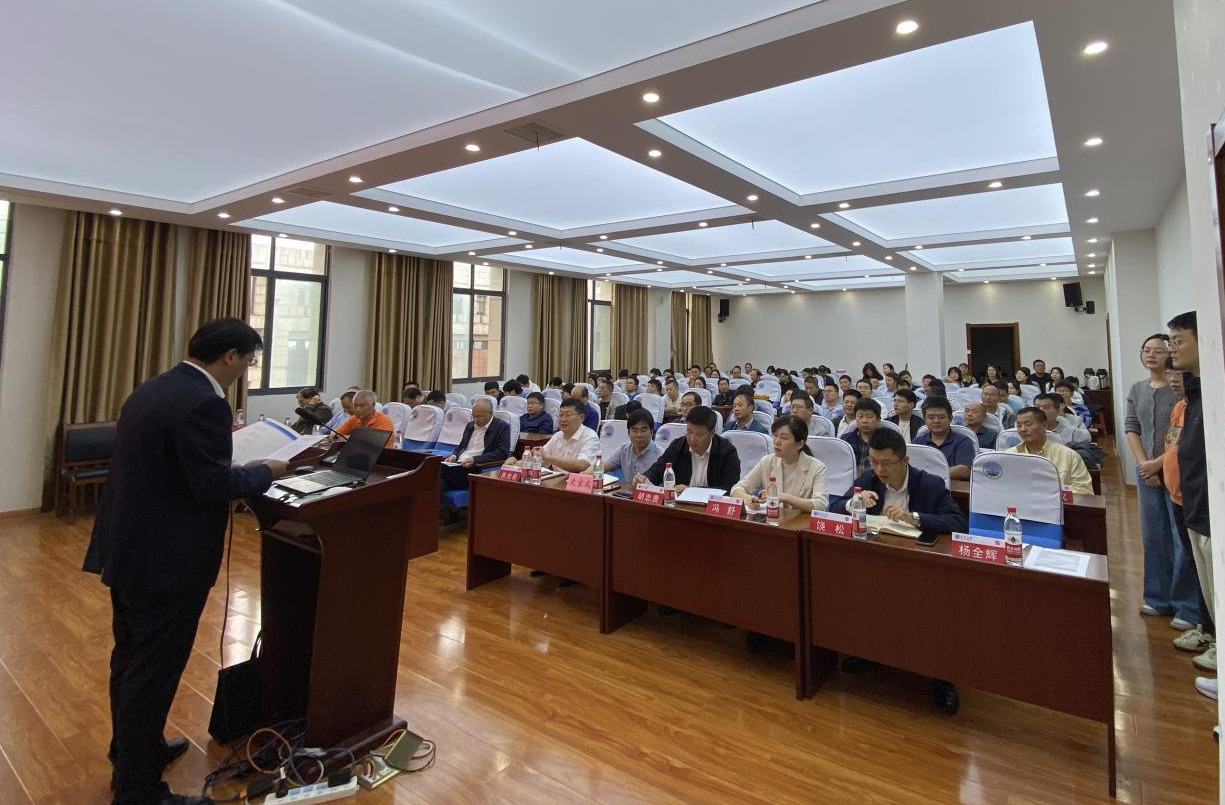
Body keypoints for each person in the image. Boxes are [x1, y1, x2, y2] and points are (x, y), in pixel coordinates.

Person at [84, 318, 287, 805]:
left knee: (130, 659)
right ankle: (139, 790)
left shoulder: (154, 388)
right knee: (153, 671)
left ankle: (134, 752)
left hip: (131, 547)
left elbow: (174, 468)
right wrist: (266, 470)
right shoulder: (204, 402)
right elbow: (210, 486)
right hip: (167, 560)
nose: (246, 371)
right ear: (230, 356)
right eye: (249, 361)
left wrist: (225, 469)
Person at [830, 428, 966, 714]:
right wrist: (853, 503)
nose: (879, 470)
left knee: (935, 610)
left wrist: (914, 518)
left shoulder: (928, 484)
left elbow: (957, 522)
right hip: (877, 560)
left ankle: (942, 677)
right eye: (874, 462)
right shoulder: (868, 480)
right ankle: (870, 652)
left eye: (886, 463)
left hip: (921, 565)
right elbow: (835, 507)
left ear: (904, 460)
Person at [1123, 336, 1192, 627]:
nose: (1151, 355)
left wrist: (1157, 464)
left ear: (1170, 354)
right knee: (1153, 537)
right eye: (1146, 351)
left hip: (1176, 471)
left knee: (1180, 539)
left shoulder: (1179, 388)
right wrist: (1144, 465)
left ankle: (1185, 606)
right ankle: (1157, 598)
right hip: (1145, 473)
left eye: (1158, 350)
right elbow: (1131, 426)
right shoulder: (1137, 388)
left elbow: (1183, 433)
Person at [1168, 312, 1216, 700]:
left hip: (1210, 507)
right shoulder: (1194, 394)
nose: (1172, 349)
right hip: (1193, 502)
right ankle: (1212, 634)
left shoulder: (1214, 389)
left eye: (1178, 341)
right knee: (1210, 588)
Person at [1161, 359, 1215, 657]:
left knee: (1208, 570)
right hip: (1178, 496)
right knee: (1197, 566)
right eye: (1170, 373)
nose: (1173, 378)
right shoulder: (1181, 407)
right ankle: (1206, 628)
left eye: (1179, 373)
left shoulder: (1205, 406)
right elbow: (1172, 447)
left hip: (1198, 500)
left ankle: (1215, 635)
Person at [731, 416, 829, 513]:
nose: (777, 442)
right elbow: (737, 489)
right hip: (772, 519)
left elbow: (820, 505)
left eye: (783, 438)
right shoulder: (767, 461)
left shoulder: (817, 468)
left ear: (800, 444)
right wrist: (748, 499)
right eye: (775, 435)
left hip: (800, 522)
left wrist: (783, 497)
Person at [636, 406, 741, 492]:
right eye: (689, 432)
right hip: (680, 505)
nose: (692, 438)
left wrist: (691, 490)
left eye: (699, 434)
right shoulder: (678, 445)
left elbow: (729, 489)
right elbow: (658, 470)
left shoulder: (727, 452)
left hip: (712, 507)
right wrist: (645, 478)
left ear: (712, 433)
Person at [440, 399, 511, 522]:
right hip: (458, 465)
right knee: (438, 480)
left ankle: (430, 515)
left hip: (476, 468)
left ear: (491, 413)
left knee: (436, 475)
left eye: (480, 416)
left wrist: (475, 460)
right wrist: (454, 456)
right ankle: (432, 515)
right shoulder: (470, 425)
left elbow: (502, 453)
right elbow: (461, 446)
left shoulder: (502, 427)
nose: (476, 419)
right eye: (473, 416)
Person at [1005, 407, 1093, 494]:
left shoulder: (1069, 456)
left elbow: (1084, 491)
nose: (1022, 429)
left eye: (1028, 424)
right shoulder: (1009, 455)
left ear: (1044, 426)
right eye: (1019, 425)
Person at [510, 398, 598, 473]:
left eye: (568, 415)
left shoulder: (590, 437)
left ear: (581, 418)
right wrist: (516, 464)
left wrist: (548, 457)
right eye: (560, 415)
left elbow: (582, 465)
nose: (563, 419)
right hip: (558, 481)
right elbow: (539, 458)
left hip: (578, 483)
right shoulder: (557, 436)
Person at [914, 397, 975, 480]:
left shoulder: (963, 441)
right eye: (931, 417)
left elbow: (964, 471)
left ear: (950, 418)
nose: (936, 421)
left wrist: (926, 475)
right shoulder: (917, 442)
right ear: (925, 419)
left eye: (941, 417)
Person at [597, 408, 663, 486]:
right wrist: (585, 474)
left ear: (651, 432)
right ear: (628, 433)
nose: (639, 435)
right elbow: (602, 466)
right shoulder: (624, 449)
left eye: (643, 430)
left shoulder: (661, 455)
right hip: (628, 492)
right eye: (634, 430)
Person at [841, 397, 881, 475]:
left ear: (878, 419)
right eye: (860, 416)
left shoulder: (887, 441)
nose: (864, 421)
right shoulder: (845, 440)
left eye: (869, 417)